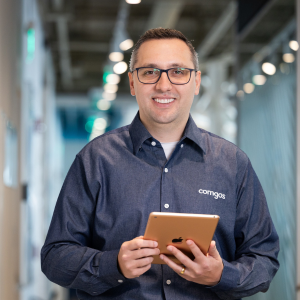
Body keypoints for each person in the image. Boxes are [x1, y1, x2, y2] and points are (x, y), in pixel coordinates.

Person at [41, 28, 279, 300]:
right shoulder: (95, 159)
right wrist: (113, 265)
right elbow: (55, 256)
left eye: (178, 71)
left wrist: (220, 275)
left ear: (196, 82)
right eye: (150, 72)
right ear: (132, 83)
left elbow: (264, 259)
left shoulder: (233, 163)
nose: (164, 85)